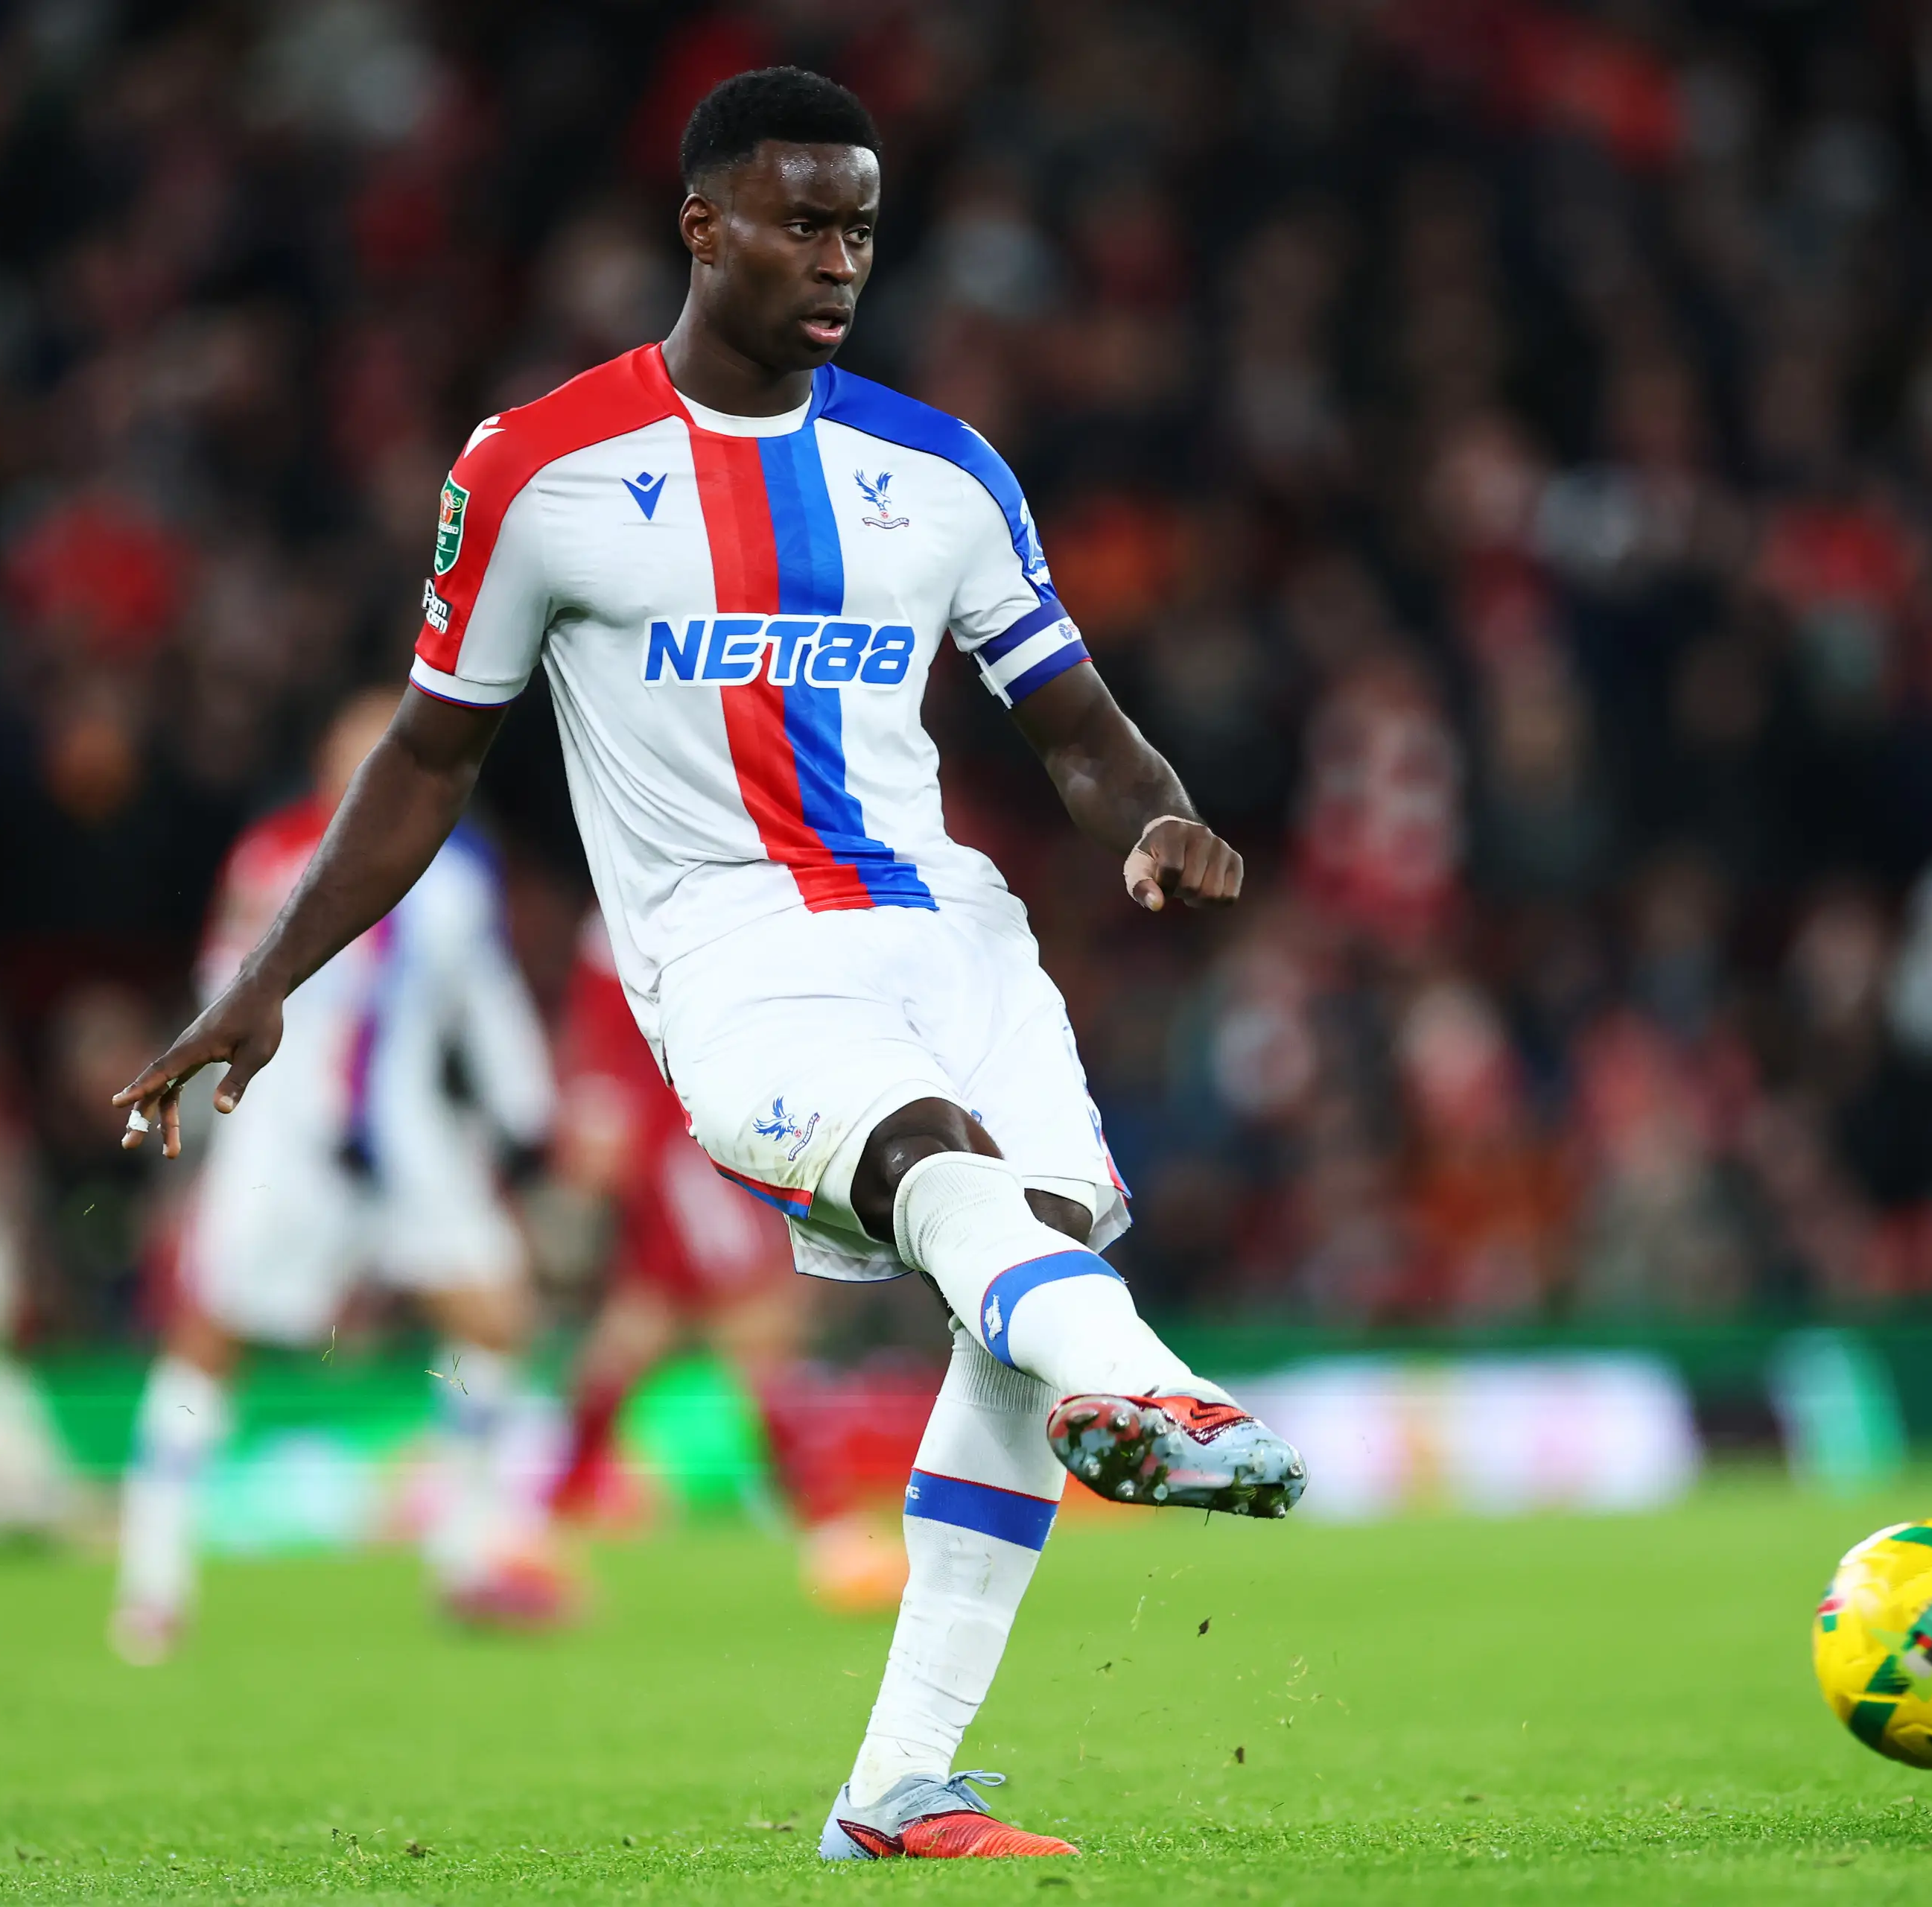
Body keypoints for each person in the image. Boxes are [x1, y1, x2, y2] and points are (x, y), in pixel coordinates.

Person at [113, 68, 1303, 1859]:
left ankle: (899, 1783)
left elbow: (1075, 725)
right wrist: (273, 970)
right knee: (939, 1177)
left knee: (1018, 1265)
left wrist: (1151, 814)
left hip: (950, 928)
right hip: (730, 959)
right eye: (801, 220)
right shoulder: (537, 471)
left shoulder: (940, 472)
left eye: (860, 228)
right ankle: (1147, 1385)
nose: (838, 260)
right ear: (702, 224)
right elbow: (429, 754)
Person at [109, 687, 559, 1666]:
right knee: (211, 1337)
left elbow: (486, 996)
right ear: (324, 764)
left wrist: (528, 1112)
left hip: (407, 1136)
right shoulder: (274, 855)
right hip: (290, 1137)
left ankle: (467, 1554)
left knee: (494, 1321)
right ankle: (153, 1578)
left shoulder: (457, 870)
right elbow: (224, 983)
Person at [544, 907, 921, 1615]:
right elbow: (603, 1032)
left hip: (707, 1127)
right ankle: (833, 1536)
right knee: (750, 1334)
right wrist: (598, 1113)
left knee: (643, 1338)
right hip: (680, 1138)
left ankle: (543, 1529)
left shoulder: (664, 898)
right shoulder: (642, 911)